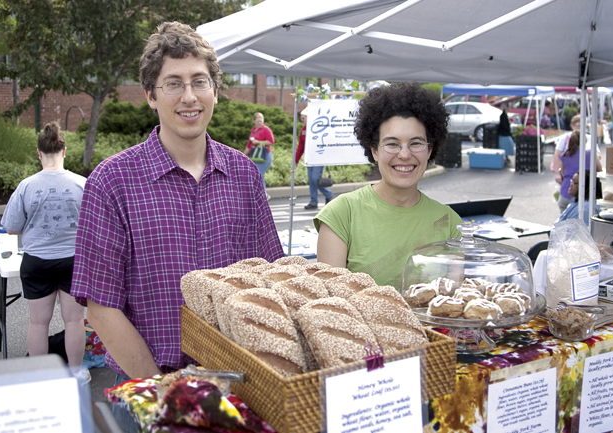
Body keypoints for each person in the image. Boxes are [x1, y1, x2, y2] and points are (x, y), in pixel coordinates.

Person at [70, 22, 284, 431]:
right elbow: (100, 306)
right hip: (147, 388)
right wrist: (166, 396)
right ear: (151, 96)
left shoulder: (243, 173)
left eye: (199, 82)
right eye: (173, 84)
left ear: (215, 92)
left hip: (237, 390)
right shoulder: (112, 181)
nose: (189, 97)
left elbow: (267, 281)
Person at [314, 82, 463, 289]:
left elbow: (452, 304)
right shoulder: (341, 215)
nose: (404, 154)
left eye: (416, 143)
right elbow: (330, 305)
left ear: (430, 150)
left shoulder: (449, 223)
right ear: (374, 150)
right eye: (392, 144)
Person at [1, 122, 89, 383]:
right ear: (64, 150)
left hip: (36, 261)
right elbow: (94, 225)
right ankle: (76, 373)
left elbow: (11, 228)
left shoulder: (26, 186)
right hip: (73, 261)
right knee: (74, 321)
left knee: (38, 322)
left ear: (39, 153)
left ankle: (40, 376)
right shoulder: (82, 184)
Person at [554, 129, 603, 213]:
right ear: (585, 141)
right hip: (584, 192)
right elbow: (599, 170)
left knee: (565, 221)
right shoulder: (591, 154)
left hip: (566, 192)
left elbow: (564, 173)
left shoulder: (565, 155)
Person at [295, 109, 333, 210]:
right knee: (311, 181)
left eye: (304, 118)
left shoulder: (317, 128)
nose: (301, 119)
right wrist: (296, 160)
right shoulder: (303, 130)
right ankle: (313, 201)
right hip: (309, 159)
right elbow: (300, 147)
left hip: (319, 158)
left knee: (315, 179)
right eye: (301, 118)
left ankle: (329, 194)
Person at [244, 112, 274, 195]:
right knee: (258, 175)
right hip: (256, 155)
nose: (260, 123)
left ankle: (263, 195)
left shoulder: (266, 129)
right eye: (258, 121)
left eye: (261, 121)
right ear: (253, 121)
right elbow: (249, 145)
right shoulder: (253, 130)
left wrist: (258, 142)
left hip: (265, 155)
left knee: (258, 174)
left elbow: (271, 142)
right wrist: (243, 155)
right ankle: (262, 194)